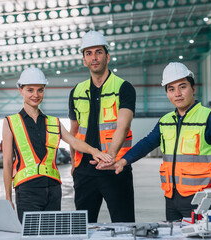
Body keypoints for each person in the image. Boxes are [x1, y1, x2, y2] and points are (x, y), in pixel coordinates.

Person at [96, 62, 211, 221]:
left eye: (183, 87)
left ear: (193, 89)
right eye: (171, 89)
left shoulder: (209, 118)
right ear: (167, 93)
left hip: (201, 199)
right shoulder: (165, 121)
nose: (177, 93)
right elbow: (146, 143)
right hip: (171, 199)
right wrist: (123, 161)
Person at [2, 67, 111, 222]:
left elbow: (73, 140)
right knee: (30, 235)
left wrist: (94, 151)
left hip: (53, 190)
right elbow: (7, 162)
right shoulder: (10, 122)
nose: (35, 95)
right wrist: (8, 197)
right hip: (27, 191)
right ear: (21, 90)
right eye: (30, 90)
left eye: (40, 90)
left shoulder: (53, 122)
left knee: (51, 234)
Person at [68, 30, 136, 223]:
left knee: (124, 227)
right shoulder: (76, 91)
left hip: (115, 168)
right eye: (88, 53)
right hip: (84, 171)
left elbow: (123, 126)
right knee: (83, 228)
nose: (94, 57)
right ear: (84, 60)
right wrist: (74, 164)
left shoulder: (124, 88)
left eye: (98, 52)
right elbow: (73, 132)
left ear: (107, 56)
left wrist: (111, 156)